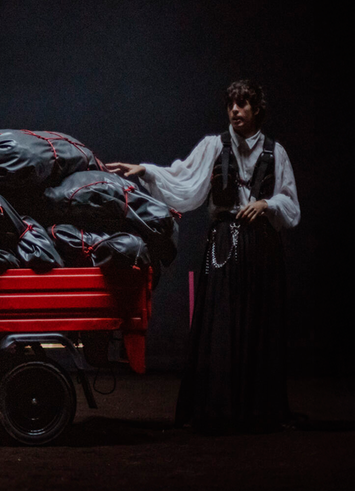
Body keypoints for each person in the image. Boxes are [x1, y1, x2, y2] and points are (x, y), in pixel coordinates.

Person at [106, 80, 300, 432]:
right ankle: (218, 408)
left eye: (242, 104)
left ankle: (259, 410)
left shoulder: (276, 152)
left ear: (257, 109)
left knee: (259, 325)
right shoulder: (214, 145)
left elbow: (290, 203)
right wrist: (146, 170)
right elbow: (183, 178)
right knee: (221, 324)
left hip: (262, 247)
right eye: (231, 104)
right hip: (224, 244)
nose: (235, 110)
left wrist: (266, 203)